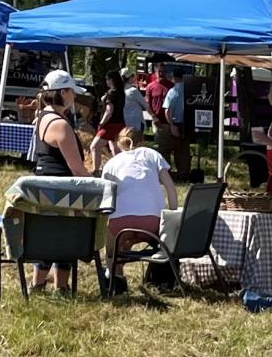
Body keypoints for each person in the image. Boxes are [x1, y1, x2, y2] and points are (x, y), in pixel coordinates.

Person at [28, 70, 88, 292]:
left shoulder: (42, 116)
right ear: (63, 92)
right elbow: (77, 168)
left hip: (44, 184)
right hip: (61, 187)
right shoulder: (61, 124)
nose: (74, 97)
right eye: (72, 92)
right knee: (65, 235)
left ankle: (38, 283)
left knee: (47, 233)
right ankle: (61, 287)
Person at [99, 128, 177, 284]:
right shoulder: (152, 155)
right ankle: (160, 278)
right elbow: (170, 187)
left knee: (112, 249)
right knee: (142, 236)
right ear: (141, 142)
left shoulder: (111, 163)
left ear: (119, 144)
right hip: (152, 223)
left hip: (120, 225)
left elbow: (105, 196)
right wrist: (173, 213)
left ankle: (116, 279)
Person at [88, 76, 124, 171]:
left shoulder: (111, 94)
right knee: (115, 148)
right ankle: (119, 169)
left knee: (95, 147)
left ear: (111, 80)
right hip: (120, 123)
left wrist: (102, 122)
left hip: (109, 125)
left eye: (107, 79)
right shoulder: (121, 92)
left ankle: (96, 170)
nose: (106, 81)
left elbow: (109, 110)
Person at [162, 69, 189, 172]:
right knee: (183, 151)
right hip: (187, 124)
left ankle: (166, 173)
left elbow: (167, 110)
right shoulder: (189, 90)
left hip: (175, 123)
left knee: (167, 149)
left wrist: (171, 125)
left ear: (175, 78)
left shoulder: (173, 91)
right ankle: (183, 173)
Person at [121, 68, 147, 138]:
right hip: (136, 123)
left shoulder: (120, 91)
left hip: (124, 122)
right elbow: (145, 105)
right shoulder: (133, 91)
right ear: (130, 77)